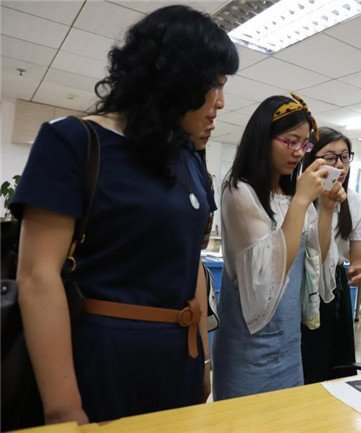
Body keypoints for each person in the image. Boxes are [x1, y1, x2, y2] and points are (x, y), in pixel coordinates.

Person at [10, 5, 239, 424]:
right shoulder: (73, 141)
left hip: (178, 357)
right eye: (215, 84)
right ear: (177, 77)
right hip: (100, 359)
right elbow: (37, 276)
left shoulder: (188, 159)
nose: (221, 102)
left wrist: (204, 359)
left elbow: (191, 264)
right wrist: (64, 408)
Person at [213, 95, 345, 399]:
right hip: (247, 350)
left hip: (289, 344)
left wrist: (325, 207)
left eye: (304, 144)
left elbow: (316, 260)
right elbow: (267, 279)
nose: (299, 152)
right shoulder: (240, 192)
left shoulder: (291, 195)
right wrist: (302, 200)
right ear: (263, 138)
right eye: (291, 141)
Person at [300, 127, 361, 383]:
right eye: (329, 157)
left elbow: (359, 258)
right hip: (301, 282)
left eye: (344, 157)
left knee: (332, 362)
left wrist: (358, 269)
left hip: (334, 287)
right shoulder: (300, 197)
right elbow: (311, 254)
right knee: (305, 359)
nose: (339, 165)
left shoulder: (358, 202)